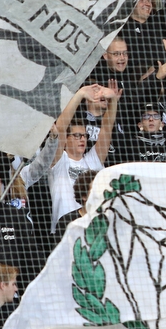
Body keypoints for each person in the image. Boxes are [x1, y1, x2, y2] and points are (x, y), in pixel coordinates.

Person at [47, 84, 118, 234]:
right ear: (66, 139)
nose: (82, 140)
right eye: (77, 136)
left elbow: (106, 127)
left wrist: (113, 100)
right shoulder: (59, 160)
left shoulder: (92, 159)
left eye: (84, 136)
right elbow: (60, 128)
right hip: (65, 229)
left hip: (94, 228)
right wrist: (80, 94)